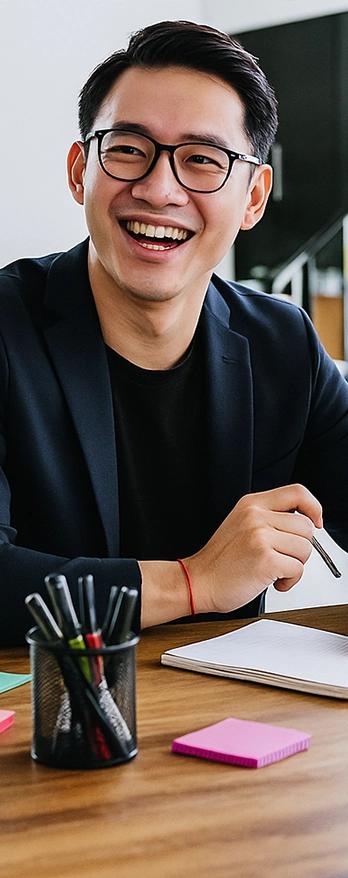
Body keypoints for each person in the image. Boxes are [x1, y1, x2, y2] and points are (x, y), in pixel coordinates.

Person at [1, 20, 347, 645]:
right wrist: (194, 582)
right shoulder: (4, 326)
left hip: (235, 708)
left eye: (202, 161)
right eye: (128, 149)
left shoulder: (282, 341)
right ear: (81, 170)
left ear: (253, 198)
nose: (159, 190)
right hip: (47, 721)